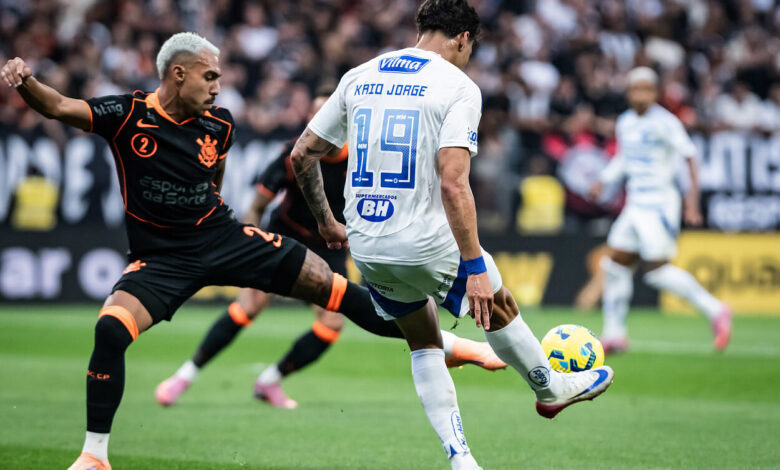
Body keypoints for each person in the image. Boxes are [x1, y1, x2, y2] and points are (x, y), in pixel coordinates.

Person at [0, 32, 493, 470]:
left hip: (222, 238)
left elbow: (212, 178)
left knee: (329, 286)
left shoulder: (220, 124)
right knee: (110, 329)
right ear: (179, 72)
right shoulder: (127, 115)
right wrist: (24, 81)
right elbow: (59, 106)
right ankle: (94, 455)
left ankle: (445, 346)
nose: (217, 87)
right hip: (161, 260)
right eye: (209, 76)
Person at [289, 1, 614, 469]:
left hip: (367, 244)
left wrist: (325, 220)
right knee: (498, 305)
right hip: (424, 240)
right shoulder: (458, 86)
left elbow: (302, 154)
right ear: (463, 39)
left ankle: (461, 459)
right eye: (471, 48)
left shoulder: (359, 75)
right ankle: (550, 390)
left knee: (423, 339)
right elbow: (453, 181)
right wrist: (475, 265)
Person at [156, 91, 506, 410]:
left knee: (331, 324)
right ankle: (184, 376)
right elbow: (257, 206)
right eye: (314, 113)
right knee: (249, 306)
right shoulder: (297, 154)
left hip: (331, 245)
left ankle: (270, 381)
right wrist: (248, 240)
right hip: (286, 236)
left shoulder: (364, 157)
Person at [589, 66, 732, 354]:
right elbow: (624, 160)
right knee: (615, 265)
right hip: (635, 205)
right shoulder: (626, 122)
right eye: (634, 89)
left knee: (656, 272)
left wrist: (692, 201)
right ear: (628, 92)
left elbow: (690, 157)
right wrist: (604, 180)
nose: (639, 94)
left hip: (659, 205)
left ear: (655, 93)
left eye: (645, 89)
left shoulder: (666, 123)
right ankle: (615, 334)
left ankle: (716, 310)